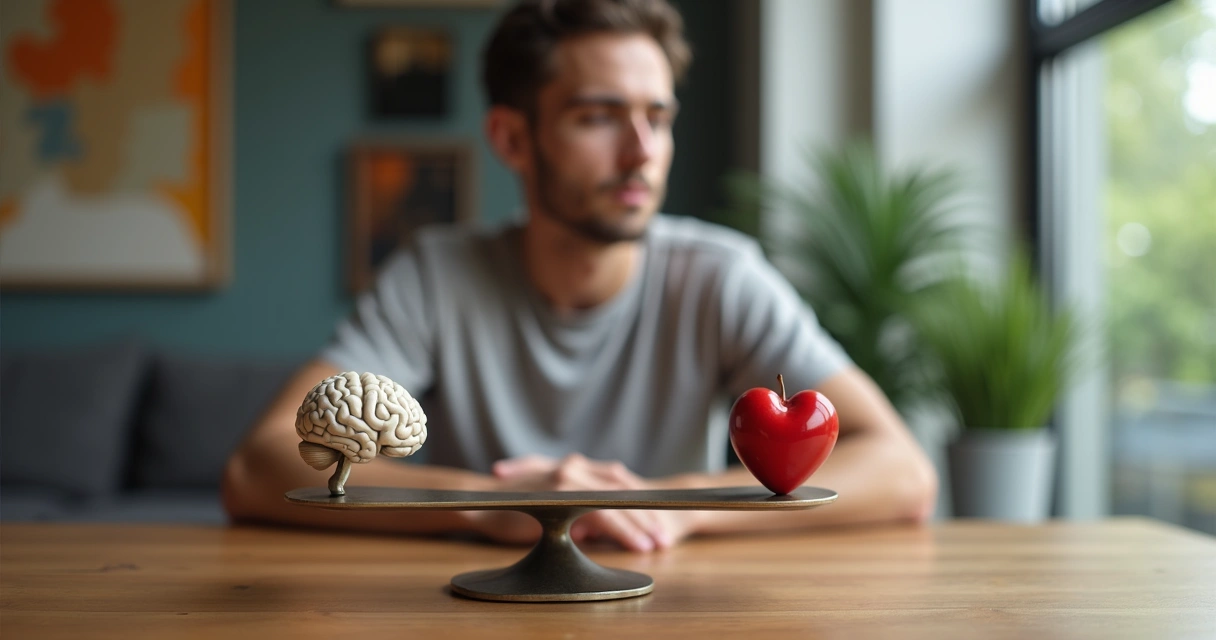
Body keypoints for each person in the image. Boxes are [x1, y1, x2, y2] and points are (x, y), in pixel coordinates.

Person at [222, 0, 937, 552]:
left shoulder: (719, 276)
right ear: (510, 137)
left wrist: (670, 506)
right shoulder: (436, 275)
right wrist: (497, 502)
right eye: (599, 117)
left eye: (658, 117)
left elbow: (903, 472)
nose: (642, 151)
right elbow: (260, 464)